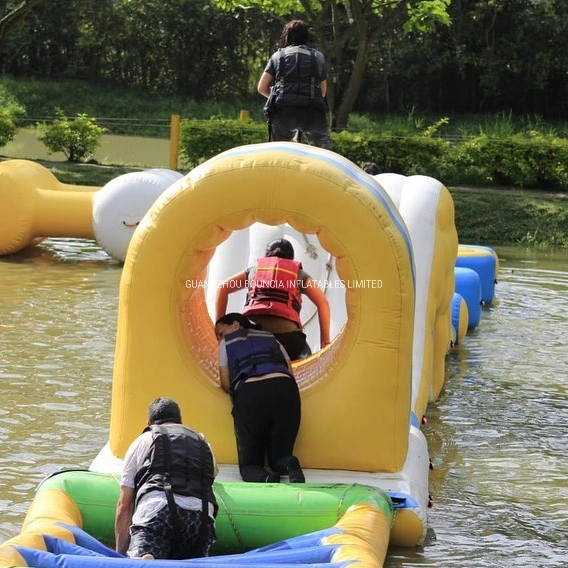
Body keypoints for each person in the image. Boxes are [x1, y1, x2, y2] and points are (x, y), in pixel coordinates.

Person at [115, 397, 218, 560]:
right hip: (201, 517)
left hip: (158, 512)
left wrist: (119, 554)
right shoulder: (204, 443)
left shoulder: (144, 440)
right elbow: (212, 475)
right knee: (192, 556)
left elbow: (124, 504)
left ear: (149, 423)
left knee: (140, 557)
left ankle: (146, 555)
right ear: (180, 421)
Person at [215, 312, 305, 484]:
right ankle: (289, 463)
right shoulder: (272, 338)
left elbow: (226, 383)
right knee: (280, 457)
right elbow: (289, 371)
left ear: (235, 325)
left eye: (220, 333)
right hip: (286, 391)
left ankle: (266, 477)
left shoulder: (227, 343)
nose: (219, 339)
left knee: (250, 466)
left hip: (252, 392)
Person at [215, 238, 331, 361]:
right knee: (305, 356)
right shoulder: (299, 274)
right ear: (291, 259)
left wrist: (218, 329)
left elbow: (222, 288)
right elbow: (322, 303)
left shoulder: (253, 271)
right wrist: (325, 342)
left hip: (251, 336)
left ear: (266, 256)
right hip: (288, 341)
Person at [257, 19, 332, 149]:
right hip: (312, 112)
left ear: (287, 36)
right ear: (306, 37)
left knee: (279, 153)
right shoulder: (318, 57)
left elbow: (262, 87)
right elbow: (323, 92)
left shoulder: (277, 56)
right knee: (324, 154)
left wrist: (277, 96)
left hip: (284, 111)